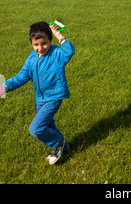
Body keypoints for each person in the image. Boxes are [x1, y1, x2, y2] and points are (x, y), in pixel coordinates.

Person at [0, 21, 75, 165]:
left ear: (50, 40)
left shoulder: (57, 53)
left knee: (36, 128)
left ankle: (57, 144)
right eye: (36, 45)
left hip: (53, 97)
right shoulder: (31, 58)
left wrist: (60, 36)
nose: (40, 48)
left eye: (44, 43)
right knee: (48, 126)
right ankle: (66, 147)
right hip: (39, 99)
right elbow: (21, 77)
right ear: (31, 43)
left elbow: (69, 51)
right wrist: (5, 87)